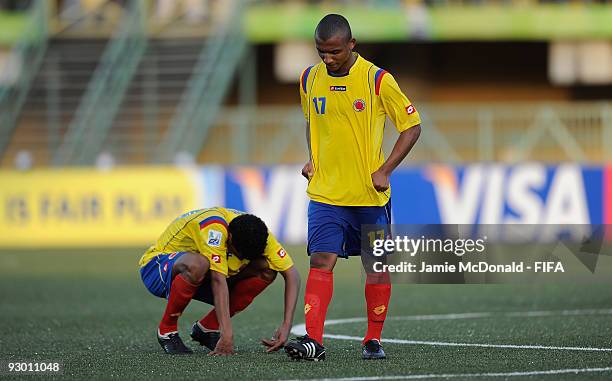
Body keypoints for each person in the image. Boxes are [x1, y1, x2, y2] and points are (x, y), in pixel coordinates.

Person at [284, 14, 421, 361]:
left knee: (376, 267)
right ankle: (314, 340)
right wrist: (313, 158)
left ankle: (372, 340)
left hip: (368, 198)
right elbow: (312, 122)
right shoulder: (308, 79)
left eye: (333, 52)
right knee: (321, 260)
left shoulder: (377, 80)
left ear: (351, 45)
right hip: (326, 194)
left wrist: (386, 170)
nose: (327, 59)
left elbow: (412, 126)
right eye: (321, 52)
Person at [139, 207, 301, 355]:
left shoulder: (263, 236)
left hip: (203, 277)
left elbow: (292, 274)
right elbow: (218, 280)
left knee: (267, 269)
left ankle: (207, 328)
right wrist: (227, 333)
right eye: (238, 254)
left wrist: (287, 324)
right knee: (199, 264)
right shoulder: (213, 228)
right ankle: (167, 330)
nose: (240, 260)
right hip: (157, 269)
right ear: (229, 237)